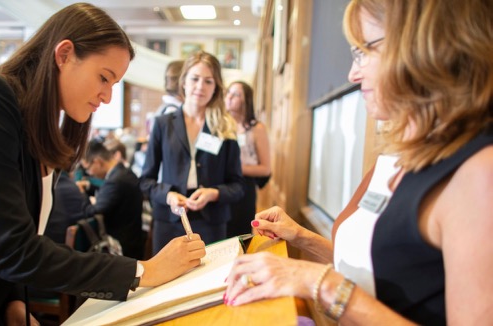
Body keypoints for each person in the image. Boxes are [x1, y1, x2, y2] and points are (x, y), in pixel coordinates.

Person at [0, 4, 206, 325]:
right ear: (64, 54)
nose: (108, 97)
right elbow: (13, 249)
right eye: (104, 78)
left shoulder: (33, 123)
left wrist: (12, 299)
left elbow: (4, 227)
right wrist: (146, 270)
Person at [224, 0, 493, 325]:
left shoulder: (480, 174)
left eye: (364, 52)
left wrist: (319, 283)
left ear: (427, 50)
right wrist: (299, 236)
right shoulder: (398, 155)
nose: (352, 74)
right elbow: (370, 269)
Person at [140, 51, 245, 254]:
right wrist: (168, 195)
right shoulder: (163, 124)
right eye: (195, 79)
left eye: (208, 81)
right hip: (170, 219)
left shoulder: (224, 127)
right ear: (184, 82)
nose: (200, 87)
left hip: (211, 221)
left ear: (216, 87)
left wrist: (213, 193)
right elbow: (146, 181)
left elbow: (238, 186)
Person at [82, 140, 145, 260]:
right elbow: (111, 193)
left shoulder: (115, 180)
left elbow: (94, 211)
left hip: (123, 250)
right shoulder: (124, 172)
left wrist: (81, 194)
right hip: (134, 241)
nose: (89, 173)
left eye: (88, 168)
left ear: (98, 162)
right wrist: (89, 187)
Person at [224, 81, 271, 237]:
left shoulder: (256, 128)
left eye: (236, 94)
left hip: (244, 188)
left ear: (246, 100)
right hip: (221, 187)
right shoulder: (221, 125)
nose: (229, 97)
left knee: (239, 235)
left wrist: (236, 168)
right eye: (229, 92)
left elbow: (266, 168)